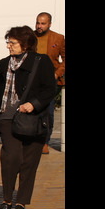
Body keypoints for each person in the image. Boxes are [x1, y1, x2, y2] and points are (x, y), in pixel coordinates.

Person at [0, 26, 56, 209]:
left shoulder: (41, 61)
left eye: (12, 43)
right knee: (11, 158)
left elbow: (49, 89)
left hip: (33, 119)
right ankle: (6, 200)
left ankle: (21, 202)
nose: (9, 46)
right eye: (8, 42)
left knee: (29, 162)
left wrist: (33, 104)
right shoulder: (4, 63)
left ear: (26, 44)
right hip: (7, 117)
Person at [34, 12, 65, 154]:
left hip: (50, 81)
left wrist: (57, 73)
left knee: (49, 113)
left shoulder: (58, 38)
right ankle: (32, 140)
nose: (39, 26)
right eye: (38, 23)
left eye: (43, 23)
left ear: (50, 24)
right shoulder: (30, 37)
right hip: (33, 80)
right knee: (32, 110)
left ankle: (44, 142)